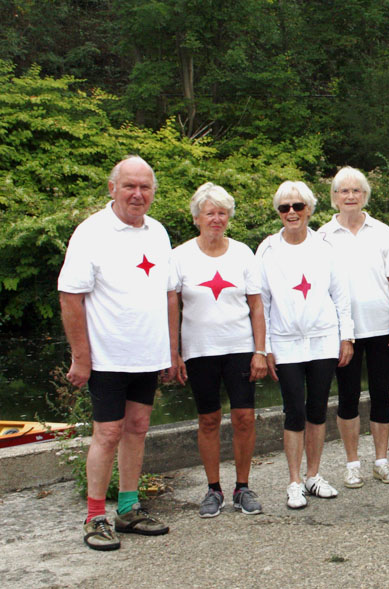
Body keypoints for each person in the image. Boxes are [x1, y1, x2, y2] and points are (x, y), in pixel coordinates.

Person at [58, 156, 177, 551]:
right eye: (129, 186)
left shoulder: (158, 233)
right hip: (107, 355)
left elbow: (167, 294)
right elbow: (70, 296)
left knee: (138, 428)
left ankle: (128, 509)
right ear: (112, 188)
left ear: (153, 192)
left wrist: (170, 351)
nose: (137, 194)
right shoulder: (91, 232)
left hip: (147, 352)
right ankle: (95, 517)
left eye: (145, 187)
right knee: (107, 433)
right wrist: (81, 356)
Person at [171, 183, 267, 517]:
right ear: (197, 217)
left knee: (244, 417)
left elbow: (257, 306)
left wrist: (260, 351)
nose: (216, 219)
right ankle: (213, 489)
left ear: (229, 217)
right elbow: (173, 307)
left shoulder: (243, 253)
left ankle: (243, 487)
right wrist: (175, 352)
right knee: (209, 418)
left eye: (222, 213)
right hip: (199, 350)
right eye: (210, 212)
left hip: (240, 346)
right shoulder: (180, 256)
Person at [257, 181, 354, 509]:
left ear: (309, 209)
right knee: (294, 410)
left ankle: (314, 476)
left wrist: (347, 337)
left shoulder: (326, 247)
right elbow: (263, 303)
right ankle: (294, 481)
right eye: (284, 208)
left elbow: (341, 297)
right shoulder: (267, 249)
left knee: (316, 410)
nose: (291, 213)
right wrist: (265, 346)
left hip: (323, 340)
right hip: (285, 343)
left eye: (298, 206)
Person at [320, 167, 389, 487]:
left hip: (382, 326)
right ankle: (352, 463)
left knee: (382, 394)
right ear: (334, 198)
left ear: (365, 196)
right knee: (348, 396)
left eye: (356, 191)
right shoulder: (323, 237)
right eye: (344, 191)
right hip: (344, 332)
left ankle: (381, 461)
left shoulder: (383, 231)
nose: (350, 196)